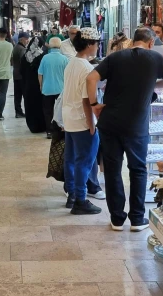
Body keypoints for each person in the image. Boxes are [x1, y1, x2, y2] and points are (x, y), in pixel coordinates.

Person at [86, 27, 163, 230]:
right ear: (151, 43)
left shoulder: (116, 57)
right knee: (137, 170)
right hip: (136, 126)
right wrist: (152, 86)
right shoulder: (154, 58)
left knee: (112, 170)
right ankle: (137, 219)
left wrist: (94, 105)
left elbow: (91, 78)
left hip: (109, 122)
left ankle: (117, 219)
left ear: (133, 41)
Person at [63, 27, 103, 215]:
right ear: (89, 45)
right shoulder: (87, 68)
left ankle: (71, 194)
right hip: (81, 120)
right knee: (84, 161)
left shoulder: (72, 63)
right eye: (96, 44)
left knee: (71, 158)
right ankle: (80, 199)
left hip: (68, 117)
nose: (97, 48)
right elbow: (87, 99)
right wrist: (92, 124)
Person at [38, 37, 69, 138]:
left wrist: (41, 85)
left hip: (47, 88)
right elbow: (68, 75)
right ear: (60, 46)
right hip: (61, 89)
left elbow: (40, 73)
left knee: (48, 110)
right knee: (62, 109)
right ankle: (61, 128)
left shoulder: (45, 58)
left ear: (50, 46)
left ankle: (49, 131)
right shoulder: (64, 59)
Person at [21, 36, 47, 133]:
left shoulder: (25, 56)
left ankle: (32, 126)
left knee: (29, 104)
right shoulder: (42, 56)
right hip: (39, 84)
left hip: (27, 84)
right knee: (40, 105)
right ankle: (41, 125)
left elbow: (21, 71)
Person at [11, 32, 29, 118]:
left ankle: (18, 112)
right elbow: (24, 62)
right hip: (21, 75)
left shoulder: (15, 47)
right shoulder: (22, 49)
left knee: (17, 95)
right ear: (22, 39)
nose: (27, 41)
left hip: (16, 73)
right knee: (25, 94)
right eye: (26, 39)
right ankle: (24, 111)